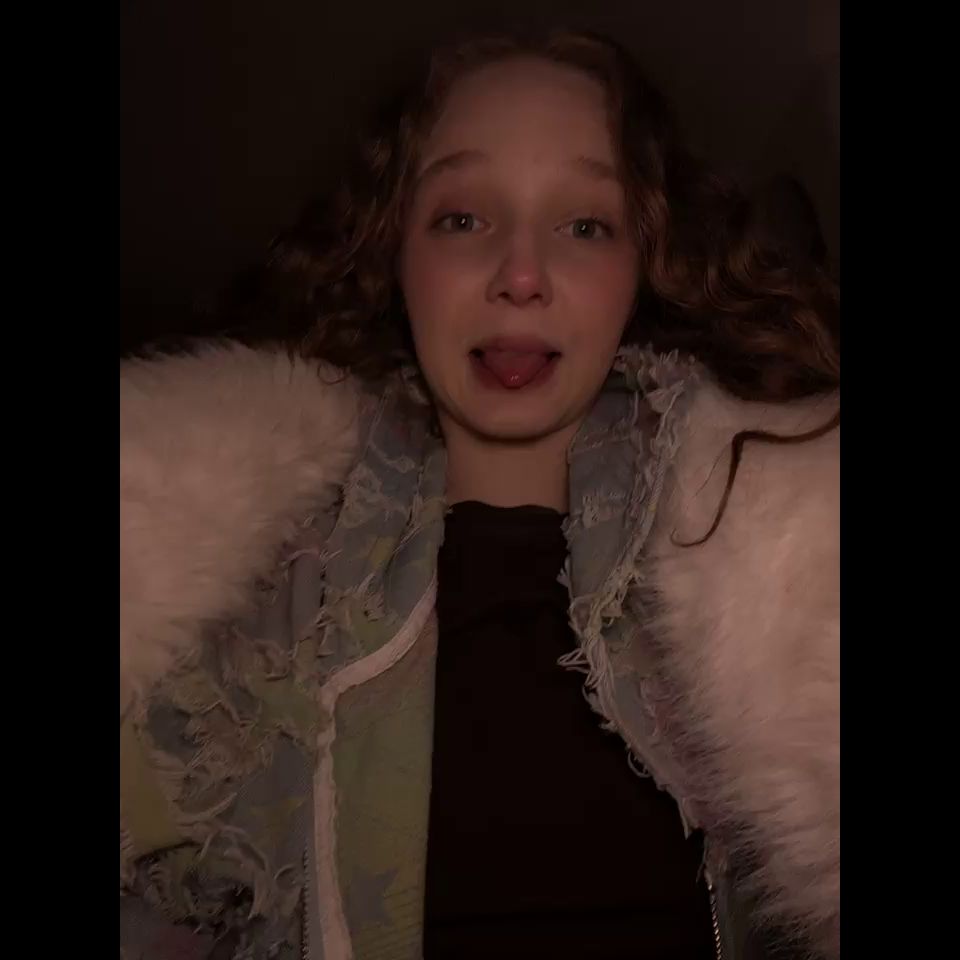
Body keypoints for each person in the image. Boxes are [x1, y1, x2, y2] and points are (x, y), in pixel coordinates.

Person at [119, 29, 840, 960]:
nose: (522, 277)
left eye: (586, 226)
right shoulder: (220, 587)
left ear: (645, 264)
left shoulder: (788, 561)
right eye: (463, 219)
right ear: (393, 252)